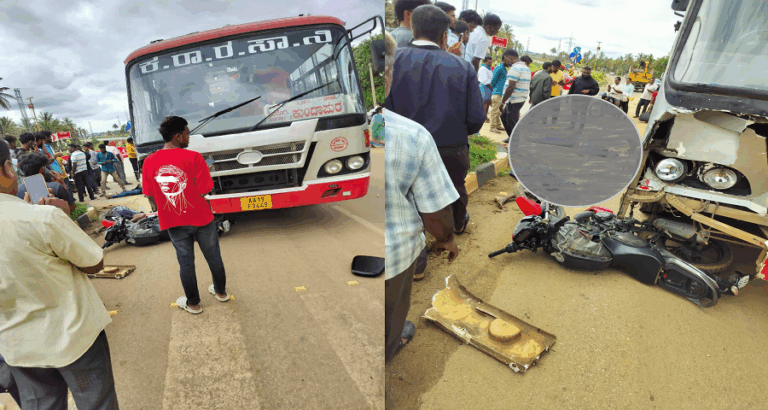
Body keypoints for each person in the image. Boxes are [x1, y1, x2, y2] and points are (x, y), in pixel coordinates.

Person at [0, 139, 120, 410]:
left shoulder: (34, 216)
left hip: (18, 348)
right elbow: (94, 262)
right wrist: (62, 219)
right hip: (74, 337)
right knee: (97, 403)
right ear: (8, 168)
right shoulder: (42, 218)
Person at [382, 31, 460, 362]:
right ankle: (390, 343)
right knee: (390, 316)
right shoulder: (410, 136)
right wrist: (446, 239)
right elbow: (434, 212)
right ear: (386, 74)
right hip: (394, 257)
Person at [385, 4, 485, 246]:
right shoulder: (462, 67)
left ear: (412, 27)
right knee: (455, 188)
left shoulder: (393, 61)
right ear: (444, 36)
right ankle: (457, 224)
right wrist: (461, 133)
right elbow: (476, 117)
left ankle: (416, 262)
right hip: (449, 146)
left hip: (401, 147)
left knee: (406, 198)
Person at [142, 116, 230, 315]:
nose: (189, 137)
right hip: (201, 218)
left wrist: (163, 207)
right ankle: (221, 292)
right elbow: (205, 189)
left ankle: (193, 304)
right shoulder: (194, 158)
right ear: (178, 136)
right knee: (213, 256)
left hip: (173, 221)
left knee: (186, 262)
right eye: (187, 133)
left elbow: (149, 194)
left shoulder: (149, 161)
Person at [500, 53, 533, 138]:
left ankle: (515, 141)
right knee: (505, 117)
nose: (505, 61)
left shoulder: (515, 68)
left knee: (512, 121)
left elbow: (511, 86)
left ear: (509, 57)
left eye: (505, 59)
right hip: (520, 98)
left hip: (514, 99)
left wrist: (502, 102)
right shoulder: (526, 69)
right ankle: (511, 138)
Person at [489, 50, 516, 133]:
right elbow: (493, 81)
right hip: (496, 92)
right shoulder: (499, 68)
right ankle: (492, 127)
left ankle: (497, 125)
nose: (511, 62)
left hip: (501, 93)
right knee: (495, 111)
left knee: (497, 111)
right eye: (509, 59)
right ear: (504, 58)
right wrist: (492, 91)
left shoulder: (503, 68)